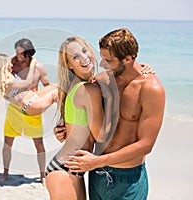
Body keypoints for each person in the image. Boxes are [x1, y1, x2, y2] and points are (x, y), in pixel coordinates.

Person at [56, 28, 165, 199]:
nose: (102, 64)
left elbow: (146, 144)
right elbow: (80, 107)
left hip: (127, 179)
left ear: (127, 59)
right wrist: (66, 128)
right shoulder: (102, 80)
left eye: (108, 60)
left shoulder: (151, 89)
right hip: (97, 175)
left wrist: (96, 161)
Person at [0, 38, 50, 184]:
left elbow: (47, 87)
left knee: (39, 144)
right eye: (16, 52)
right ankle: (5, 173)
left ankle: (42, 175)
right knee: (7, 143)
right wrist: (9, 98)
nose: (17, 56)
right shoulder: (12, 66)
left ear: (28, 53)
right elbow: (3, 84)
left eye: (20, 53)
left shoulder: (39, 68)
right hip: (13, 111)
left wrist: (40, 102)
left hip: (31, 111)